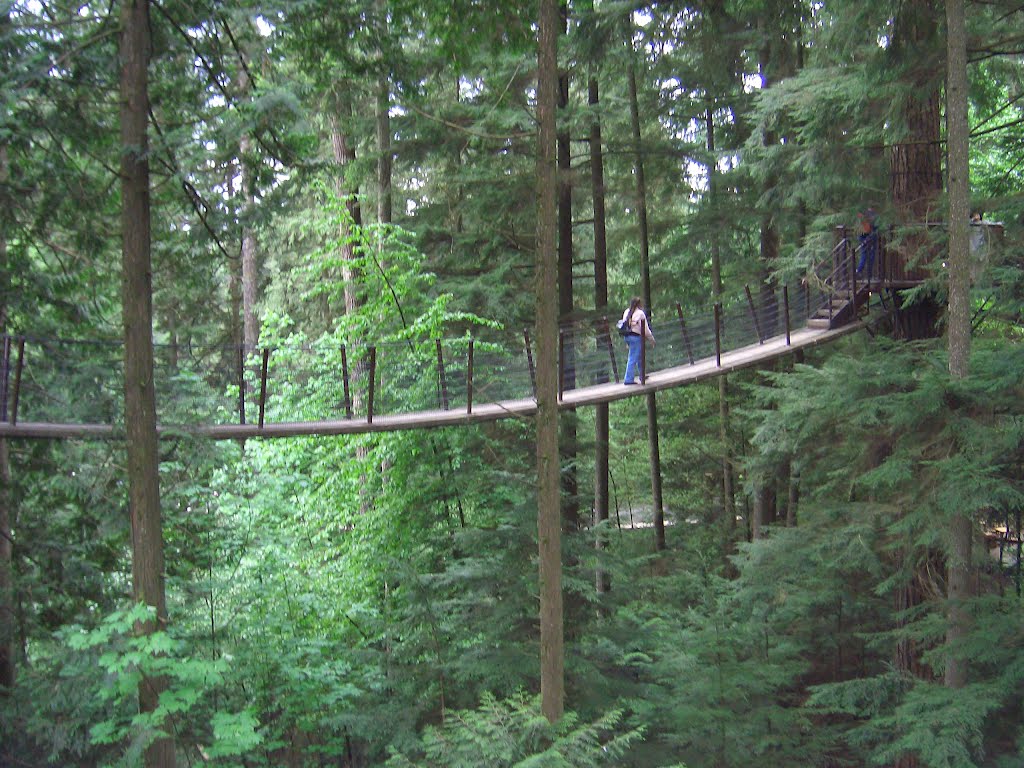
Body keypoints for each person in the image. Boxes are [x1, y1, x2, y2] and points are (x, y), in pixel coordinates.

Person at [620, 297, 655, 385]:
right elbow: (646, 329)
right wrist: (652, 339)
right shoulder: (640, 313)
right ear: (639, 304)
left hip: (627, 336)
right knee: (633, 357)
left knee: (639, 356)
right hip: (636, 337)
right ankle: (628, 379)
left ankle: (642, 375)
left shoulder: (627, 311)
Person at [856, 207, 879, 280]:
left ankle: (859, 271)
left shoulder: (862, 212)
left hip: (863, 236)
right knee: (869, 256)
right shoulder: (873, 214)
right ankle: (867, 274)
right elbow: (875, 227)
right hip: (868, 236)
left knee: (864, 254)